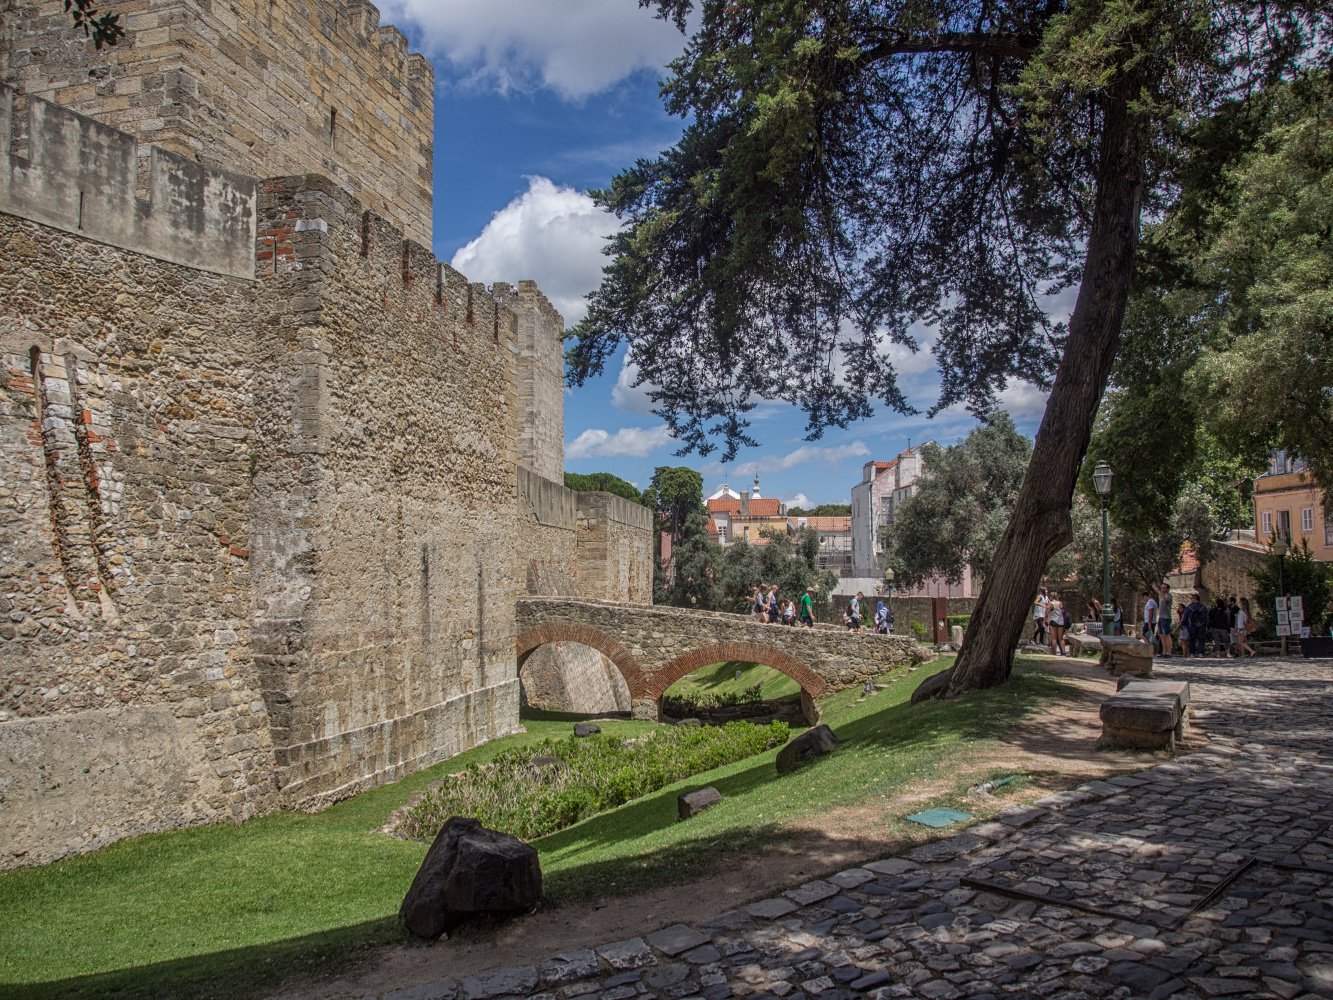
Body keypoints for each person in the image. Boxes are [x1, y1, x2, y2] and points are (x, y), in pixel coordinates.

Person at [1157, 583, 1175, 657]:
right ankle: (1164, 652)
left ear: (1167, 589)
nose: (1162, 589)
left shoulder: (1168, 595)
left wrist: (1163, 594)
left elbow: (1167, 599)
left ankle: (1169, 652)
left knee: (1167, 635)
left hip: (1166, 618)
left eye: (1164, 588)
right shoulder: (1160, 597)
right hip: (1161, 617)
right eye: (1161, 588)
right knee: (1161, 635)